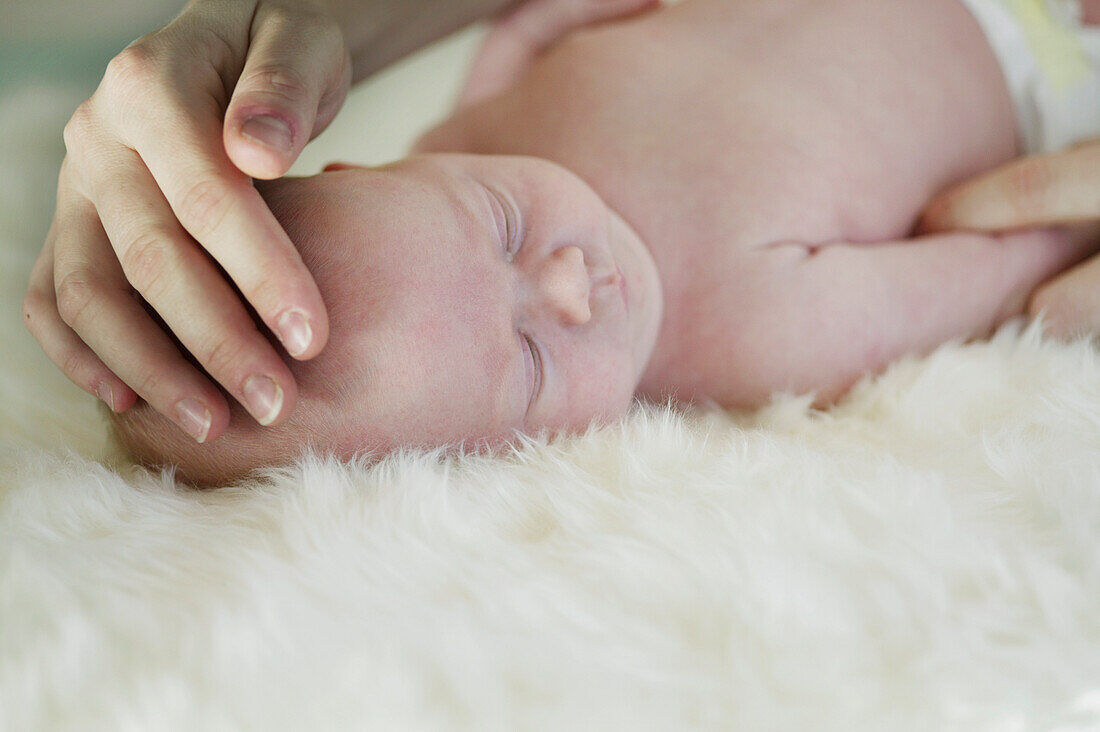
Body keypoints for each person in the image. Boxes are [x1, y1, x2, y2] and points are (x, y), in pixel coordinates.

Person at [24, 0, 1100, 483]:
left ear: (368, 167)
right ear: (507, 459)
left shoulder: (474, 129)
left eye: (501, 226)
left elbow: (540, 17)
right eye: (533, 360)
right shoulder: (747, 335)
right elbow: (1001, 250)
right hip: (1050, 59)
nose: (570, 282)